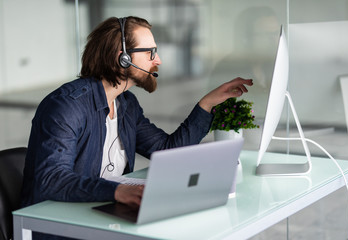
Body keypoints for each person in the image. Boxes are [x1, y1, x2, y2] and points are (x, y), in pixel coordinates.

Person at [21, 16, 252, 212]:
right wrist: (118, 191)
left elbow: (167, 151)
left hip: (100, 212)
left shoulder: (126, 104)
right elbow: (50, 180)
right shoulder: (66, 106)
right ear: (122, 57)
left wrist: (208, 102)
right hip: (58, 224)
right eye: (151, 53)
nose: (158, 61)